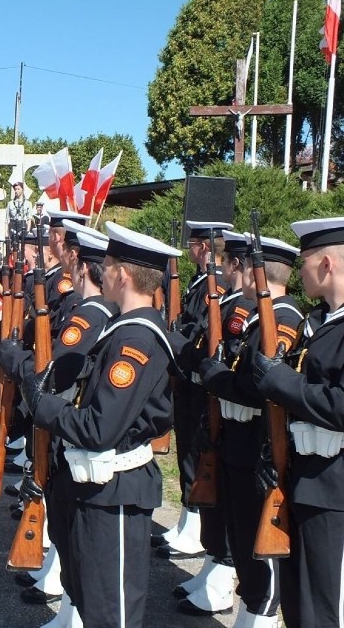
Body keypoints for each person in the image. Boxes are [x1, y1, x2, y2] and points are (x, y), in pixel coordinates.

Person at [19, 222, 180, 627]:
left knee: (112, 615)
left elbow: (99, 428)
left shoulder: (136, 340)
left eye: (105, 265)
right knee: (91, 602)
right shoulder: (121, 329)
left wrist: (43, 406)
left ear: (122, 274)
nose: (99, 272)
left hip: (116, 493)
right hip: (96, 487)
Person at [196, 232, 301, 626]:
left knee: (260, 541)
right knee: (240, 535)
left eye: (235, 263)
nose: (229, 270)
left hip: (260, 442)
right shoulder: (257, 315)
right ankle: (249, 605)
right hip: (236, 439)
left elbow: (257, 387)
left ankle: (260, 614)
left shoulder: (284, 319)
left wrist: (216, 377)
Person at [252, 217, 344, 628]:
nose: (299, 269)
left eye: (304, 260)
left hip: (335, 488)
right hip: (305, 477)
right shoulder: (319, 322)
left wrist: (282, 382)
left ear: (326, 264)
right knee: (300, 605)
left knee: (326, 608)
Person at [156, 220, 232, 561]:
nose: (189, 249)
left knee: (195, 454)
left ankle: (196, 526)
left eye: (192, 244)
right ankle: (188, 521)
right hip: (189, 378)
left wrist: (177, 336)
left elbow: (203, 330)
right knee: (186, 450)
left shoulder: (213, 285)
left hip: (201, 384)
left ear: (203, 247)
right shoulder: (200, 281)